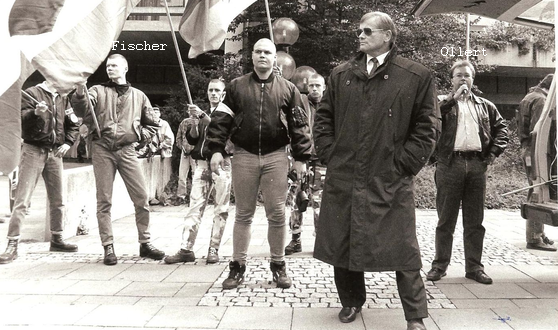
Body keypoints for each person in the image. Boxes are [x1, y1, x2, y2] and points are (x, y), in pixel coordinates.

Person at [313, 12, 439, 329]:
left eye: (367, 30)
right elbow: (323, 120)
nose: (360, 35)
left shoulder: (414, 75)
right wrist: (331, 153)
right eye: (358, 30)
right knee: (343, 240)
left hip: (390, 178)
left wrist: (404, 164)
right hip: (346, 174)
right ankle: (351, 301)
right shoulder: (342, 74)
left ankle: (415, 315)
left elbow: (428, 128)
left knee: (403, 247)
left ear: (387, 35)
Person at [207, 38, 312, 289]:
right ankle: (237, 266)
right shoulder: (236, 87)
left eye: (268, 52)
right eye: (258, 52)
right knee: (243, 213)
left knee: (277, 214)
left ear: (275, 58)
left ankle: (278, 265)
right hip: (244, 155)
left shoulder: (288, 89)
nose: (263, 56)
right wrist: (216, 150)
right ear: (252, 56)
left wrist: (301, 158)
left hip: (276, 156)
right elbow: (221, 119)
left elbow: (299, 125)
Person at [72, 53, 165, 266]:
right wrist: (79, 90)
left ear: (125, 69)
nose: (110, 68)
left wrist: (139, 136)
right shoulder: (96, 90)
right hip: (102, 148)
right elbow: (82, 109)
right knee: (104, 200)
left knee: (141, 198)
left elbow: (152, 124)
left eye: (114, 65)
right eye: (108, 65)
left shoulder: (139, 96)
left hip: (127, 150)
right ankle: (108, 246)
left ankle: (145, 243)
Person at [426, 60, 508, 285]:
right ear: (452, 80)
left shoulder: (485, 105)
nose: (464, 79)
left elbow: (502, 129)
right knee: (446, 220)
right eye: (459, 75)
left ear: (473, 80)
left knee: (475, 221)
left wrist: (492, 153)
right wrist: (452, 99)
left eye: (468, 76)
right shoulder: (442, 103)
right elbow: (431, 120)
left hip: (476, 165)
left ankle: (474, 268)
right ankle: (439, 266)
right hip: (449, 164)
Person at [0, 81, 80, 264]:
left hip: (55, 152)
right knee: (22, 200)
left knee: (58, 199)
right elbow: (18, 119)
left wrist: (68, 142)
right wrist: (34, 114)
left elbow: (72, 123)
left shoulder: (63, 98)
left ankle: (57, 238)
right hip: (33, 150)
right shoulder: (31, 93)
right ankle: (12, 244)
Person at [165, 79, 233, 265]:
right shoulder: (203, 114)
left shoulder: (226, 114)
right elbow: (194, 139)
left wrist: (202, 116)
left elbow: (219, 129)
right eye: (210, 90)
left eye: (217, 90)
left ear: (223, 94)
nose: (213, 93)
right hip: (201, 163)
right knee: (195, 206)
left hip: (222, 163)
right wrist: (195, 124)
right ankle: (186, 248)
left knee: (221, 207)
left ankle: (214, 249)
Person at [285, 73, 327, 255]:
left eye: (318, 85)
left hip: (323, 160)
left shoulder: (330, 106)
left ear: (324, 87)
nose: (314, 89)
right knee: (297, 199)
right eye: (311, 86)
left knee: (320, 202)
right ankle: (295, 239)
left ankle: (321, 241)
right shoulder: (300, 102)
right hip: (302, 159)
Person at [518, 74, 556, 251]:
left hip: (527, 148)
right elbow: (539, 132)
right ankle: (534, 237)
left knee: (536, 188)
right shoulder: (541, 100)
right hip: (535, 150)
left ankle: (538, 233)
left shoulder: (530, 96)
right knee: (537, 189)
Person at [175, 115, 197, 205]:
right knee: (182, 176)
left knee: (196, 175)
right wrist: (182, 148)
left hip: (195, 153)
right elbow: (178, 138)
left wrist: (196, 150)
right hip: (184, 153)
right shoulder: (184, 122)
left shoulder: (198, 122)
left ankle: (194, 197)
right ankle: (181, 196)